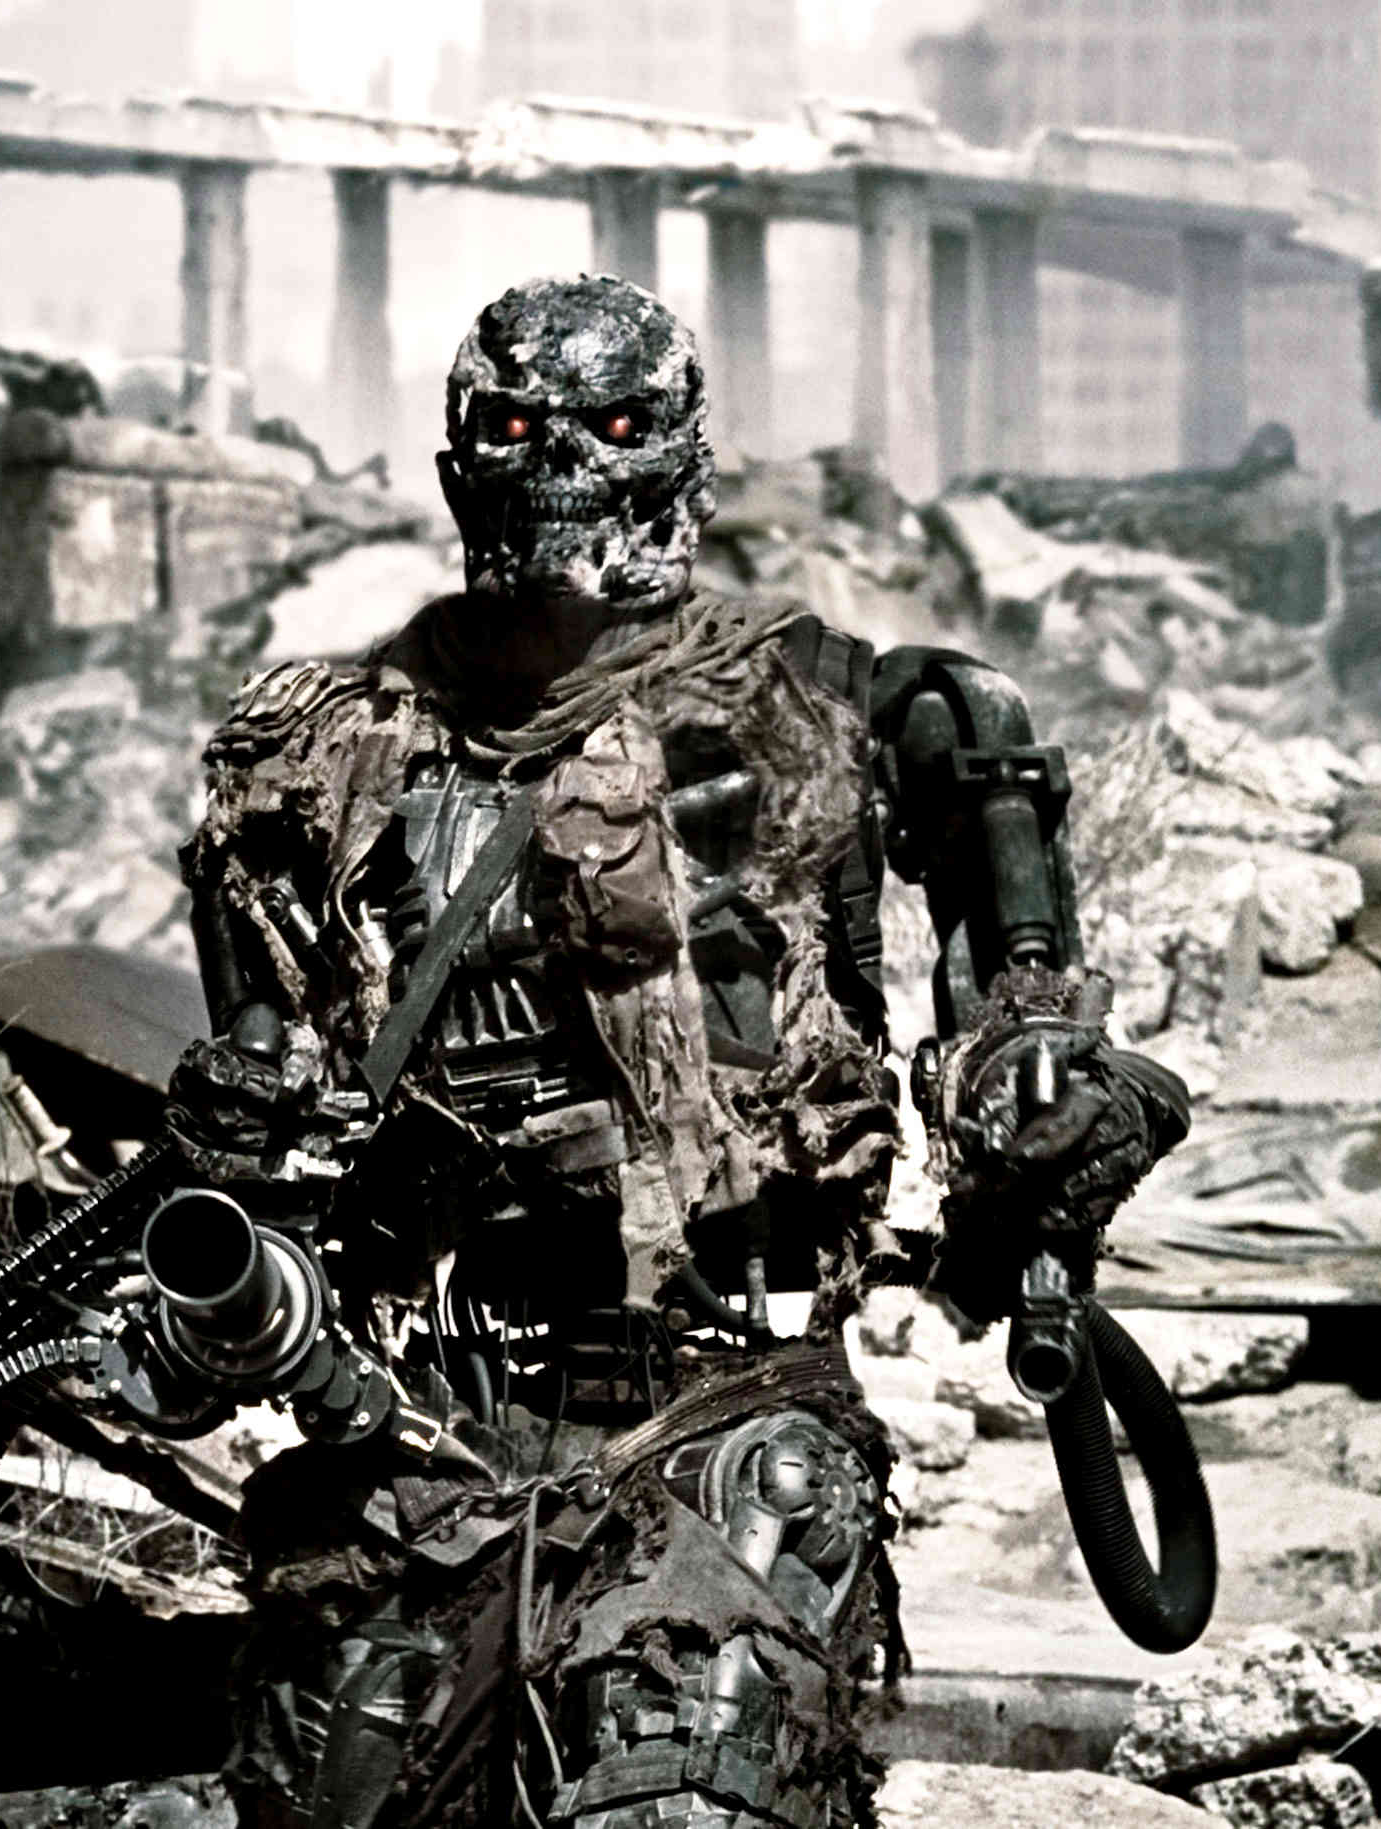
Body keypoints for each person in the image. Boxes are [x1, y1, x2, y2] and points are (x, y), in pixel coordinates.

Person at [163, 274, 1194, 1829]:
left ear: (678, 460)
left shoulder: (832, 706)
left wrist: (1039, 1102)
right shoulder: (313, 752)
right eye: (523, 432)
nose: (565, 466)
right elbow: (252, 1096)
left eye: (609, 428)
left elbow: (1016, 998)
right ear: (461, 462)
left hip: (719, 1395)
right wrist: (238, 1182)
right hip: (412, 1428)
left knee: (688, 1781)